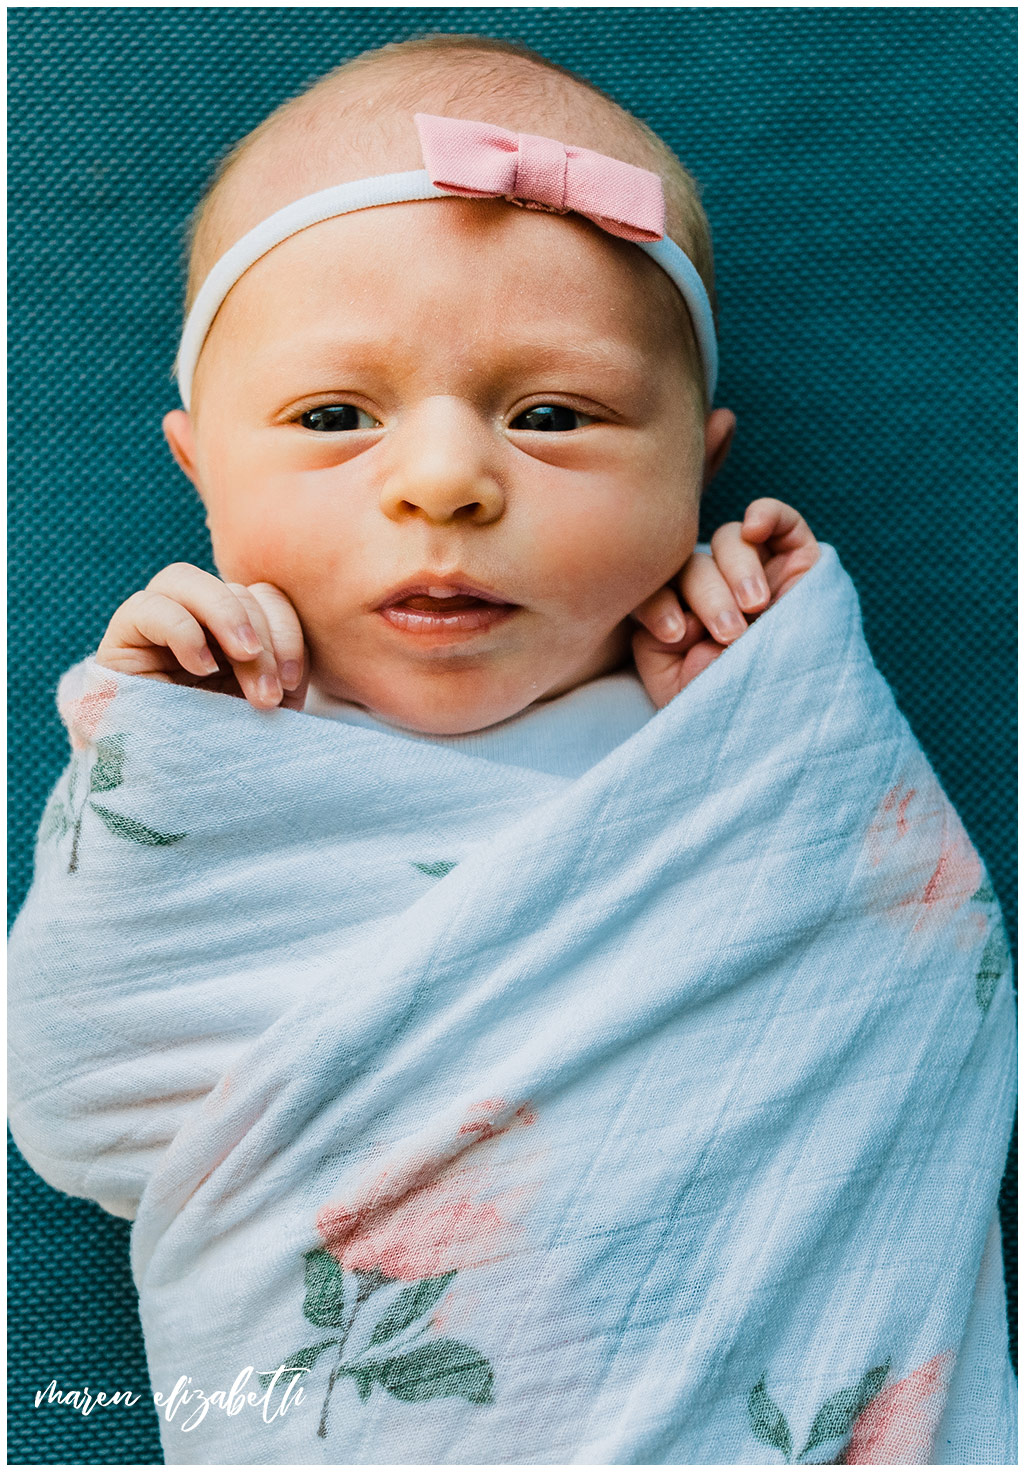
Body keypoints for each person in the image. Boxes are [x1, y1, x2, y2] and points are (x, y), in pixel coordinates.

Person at [9, 35, 1015, 1466]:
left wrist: (788, 713)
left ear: (698, 464)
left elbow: (914, 1001)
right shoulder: (211, 761)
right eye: (333, 418)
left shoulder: (754, 746)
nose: (445, 483)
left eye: (552, 415)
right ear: (200, 469)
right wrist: (151, 774)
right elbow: (77, 1108)